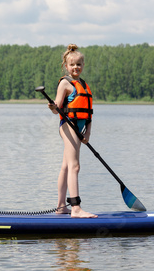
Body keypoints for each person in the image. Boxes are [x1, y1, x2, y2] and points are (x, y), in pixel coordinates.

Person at [48, 44, 98, 218]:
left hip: (80, 129)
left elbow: (89, 114)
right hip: (68, 126)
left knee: (65, 167)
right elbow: (57, 108)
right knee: (74, 166)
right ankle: (75, 208)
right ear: (66, 66)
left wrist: (88, 133)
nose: (76, 67)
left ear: (83, 66)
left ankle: (61, 206)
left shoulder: (83, 84)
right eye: (72, 65)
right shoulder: (65, 83)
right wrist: (53, 107)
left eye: (79, 64)